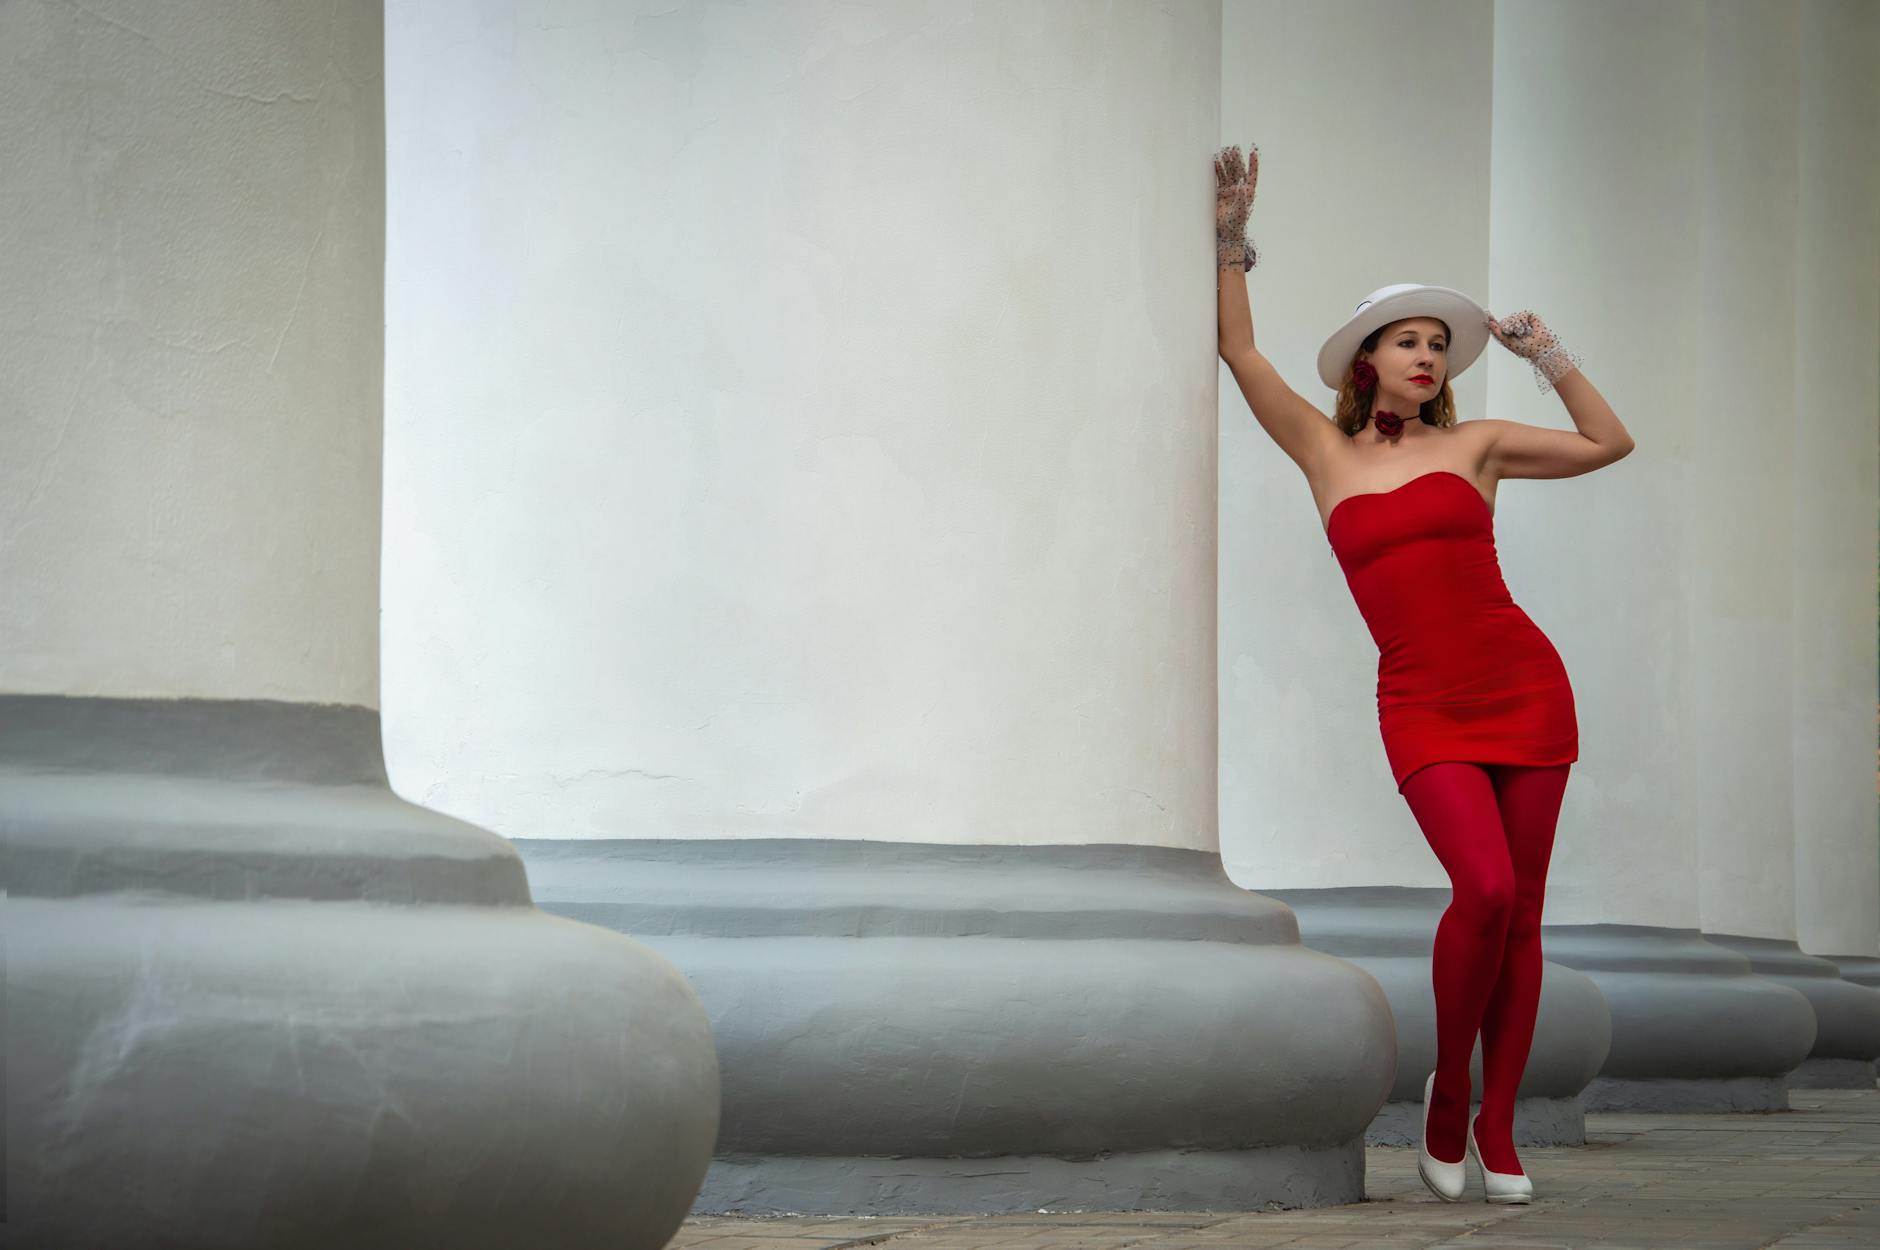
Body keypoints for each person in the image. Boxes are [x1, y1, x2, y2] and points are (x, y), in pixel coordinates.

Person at [1211, 142, 1635, 1205]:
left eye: (1438, 344)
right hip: (1420, 698)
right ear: (1366, 360)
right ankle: (1448, 1090)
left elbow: (1607, 442)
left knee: (1523, 910)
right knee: (1481, 888)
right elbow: (1239, 352)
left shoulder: (1477, 445)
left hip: (1524, 682)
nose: (1426, 356)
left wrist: (1545, 351)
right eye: (1407, 340)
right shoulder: (1322, 451)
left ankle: (1496, 1121)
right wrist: (1228, 241)